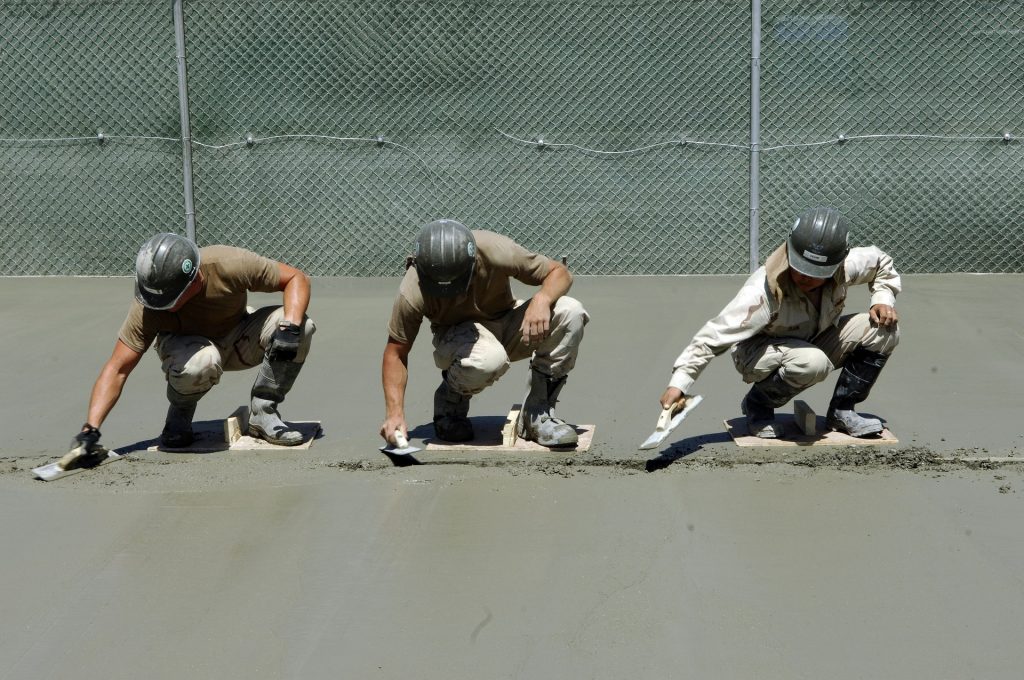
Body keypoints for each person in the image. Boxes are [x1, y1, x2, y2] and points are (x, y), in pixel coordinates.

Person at [64, 232, 316, 466]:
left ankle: (263, 412)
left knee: (300, 327)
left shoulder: (227, 263)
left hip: (240, 337)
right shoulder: (149, 306)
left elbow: (296, 278)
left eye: (170, 300)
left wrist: (289, 325)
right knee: (202, 361)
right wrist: (90, 430)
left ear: (195, 279)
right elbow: (117, 368)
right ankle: (180, 415)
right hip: (190, 353)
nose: (164, 307)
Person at [660, 206, 900, 439]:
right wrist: (679, 384)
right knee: (811, 363)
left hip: (812, 339)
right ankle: (758, 405)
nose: (806, 277)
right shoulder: (762, 292)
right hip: (758, 352)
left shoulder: (844, 266)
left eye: (817, 272)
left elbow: (881, 262)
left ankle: (842, 412)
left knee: (883, 331)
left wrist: (882, 299)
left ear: (838, 261)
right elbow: (712, 337)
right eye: (801, 267)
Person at [380, 219, 589, 448]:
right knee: (488, 358)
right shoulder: (413, 286)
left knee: (570, 312)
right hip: (458, 339)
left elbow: (560, 273)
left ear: (473, 262)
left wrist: (542, 299)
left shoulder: (495, 250)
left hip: (505, 322)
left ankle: (537, 413)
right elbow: (396, 352)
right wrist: (394, 414)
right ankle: (451, 401)